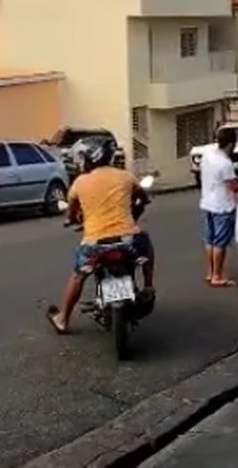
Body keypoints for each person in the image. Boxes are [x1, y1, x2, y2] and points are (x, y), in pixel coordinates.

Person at [46, 138, 154, 334]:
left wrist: (71, 220)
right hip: (128, 240)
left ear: (88, 159)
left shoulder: (79, 183)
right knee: (146, 245)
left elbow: (71, 214)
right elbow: (143, 199)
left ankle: (62, 319)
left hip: (95, 243)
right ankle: (147, 287)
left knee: (78, 275)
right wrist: (134, 211)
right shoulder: (126, 176)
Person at [199, 127, 238, 287]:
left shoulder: (208, 154)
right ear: (231, 144)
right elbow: (233, 187)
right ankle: (217, 276)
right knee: (220, 242)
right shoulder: (225, 164)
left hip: (207, 202)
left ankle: (210, 272)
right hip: (223, 206)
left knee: (210, 240)